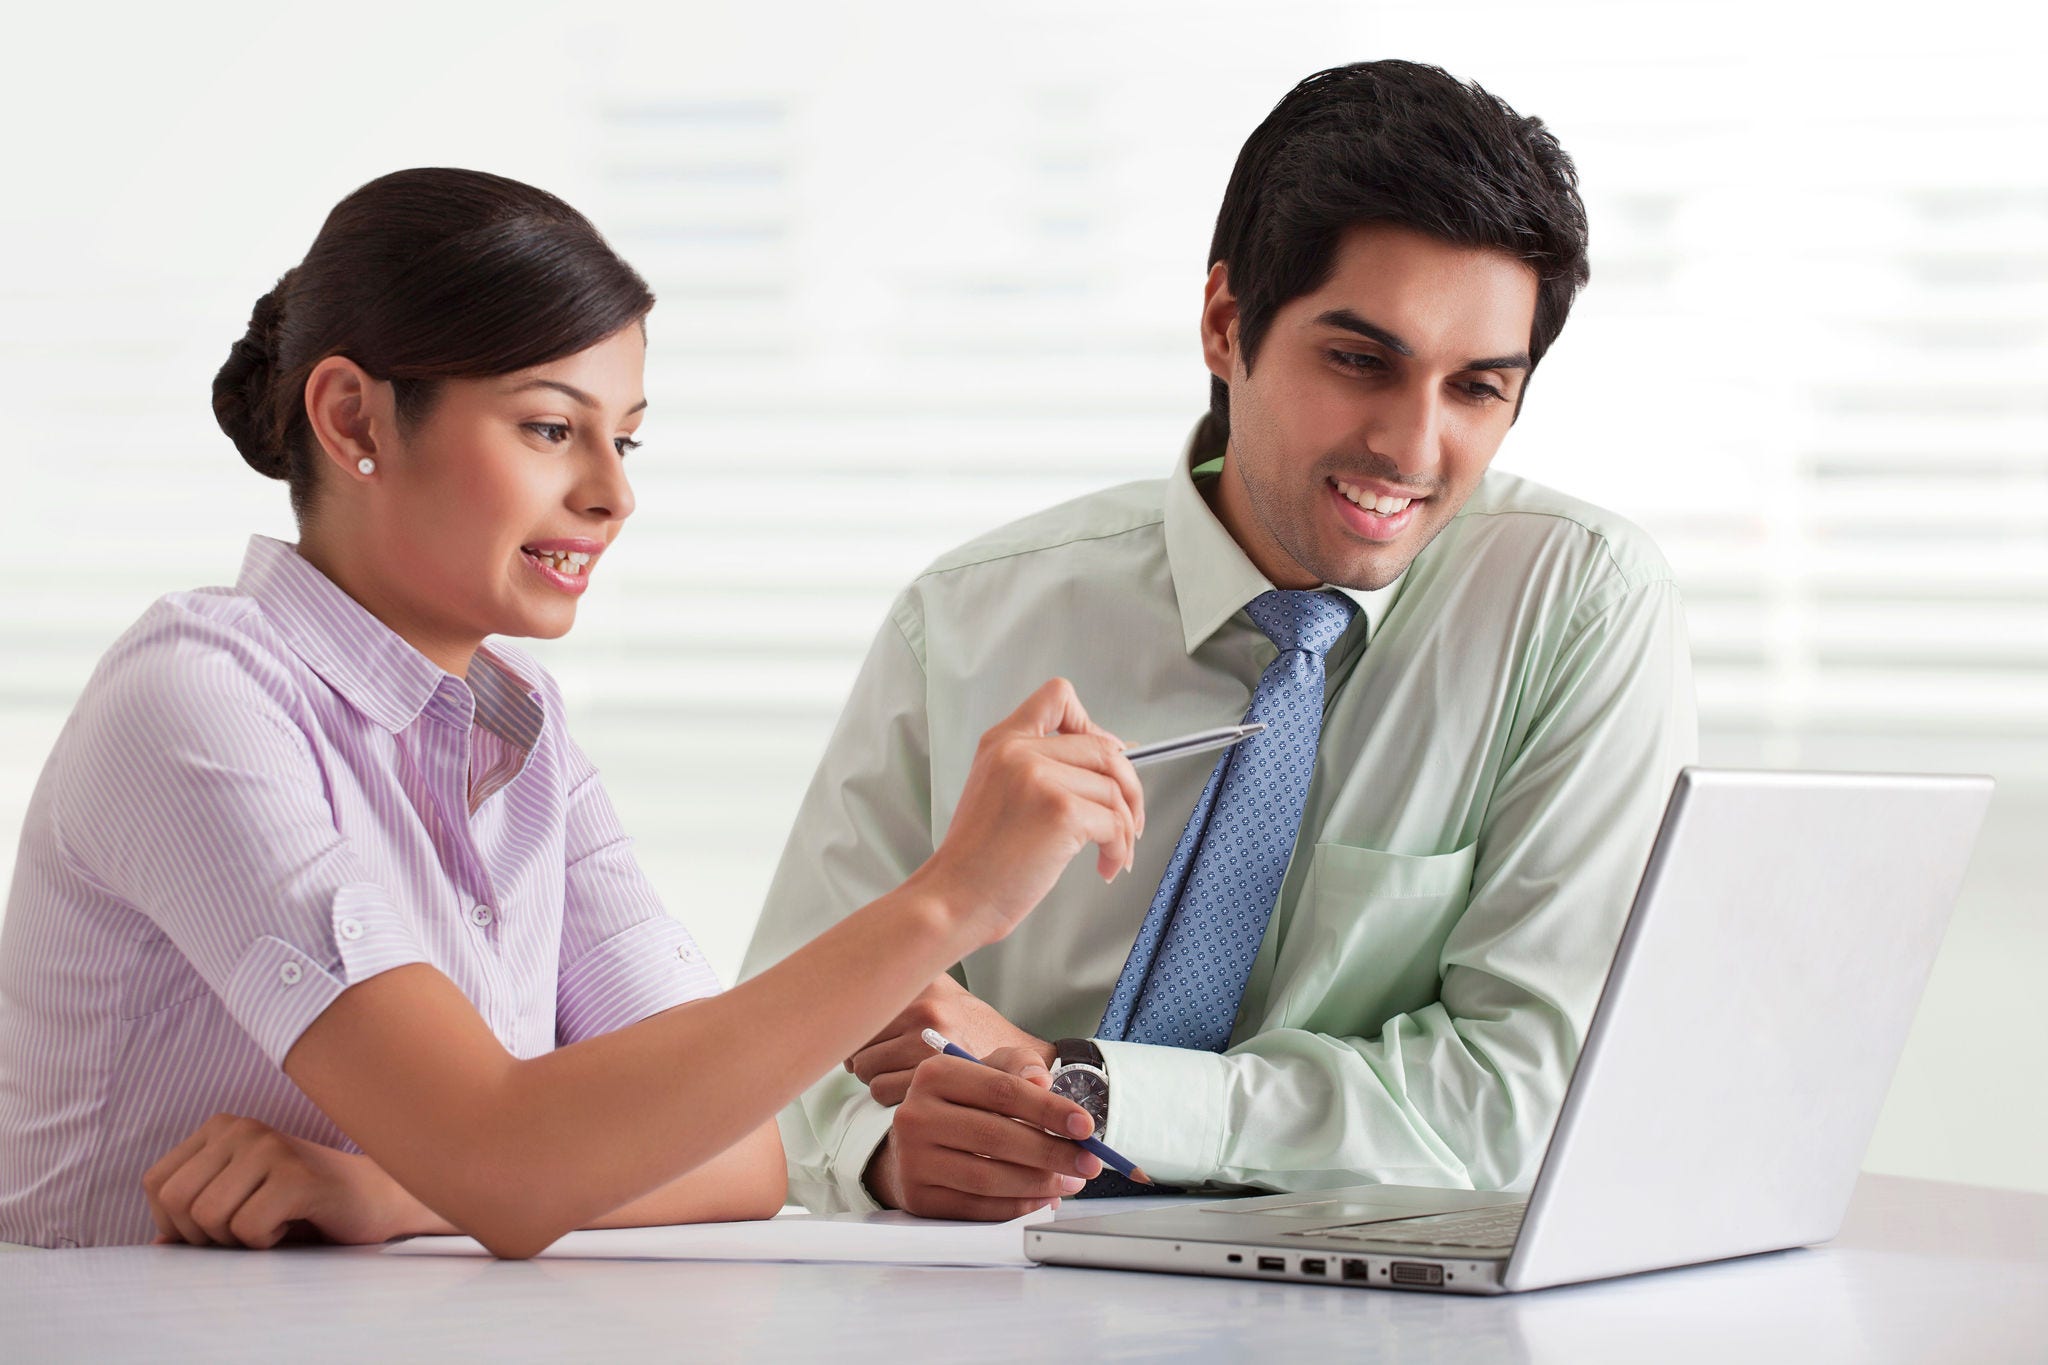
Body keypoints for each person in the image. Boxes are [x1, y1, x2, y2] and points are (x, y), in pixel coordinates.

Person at [0, 168, 1142, 1253]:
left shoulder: (524, 738)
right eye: (551, 428)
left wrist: (391, 1190)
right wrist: (950, 900)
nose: (612, 492)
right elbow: (504, 1163)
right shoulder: (195, 699)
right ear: (353, 420)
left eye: (624, 435)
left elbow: (742, 1156)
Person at [743, 60, 1699, 1220]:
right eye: (1359, 361)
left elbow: (1526, 1100)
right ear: (1223, 322)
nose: (1410, 445)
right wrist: (889, 1154)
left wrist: (1086, 1091)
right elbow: (772, 1059)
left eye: (1476, 390)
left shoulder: (1575, 605)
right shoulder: (964, 619)